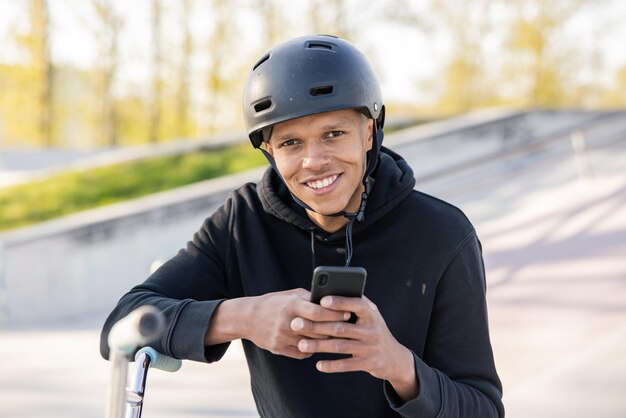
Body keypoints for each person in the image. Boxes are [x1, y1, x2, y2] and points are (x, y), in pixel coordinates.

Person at [100, 34, 504, 417]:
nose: (314, 161)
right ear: (270, 152)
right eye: (291, 143)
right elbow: (122, 325)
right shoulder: (244, 221)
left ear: (368, 132)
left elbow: (482, 408)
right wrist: (246, 317)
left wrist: (398, 365)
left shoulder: (443, 234)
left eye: (333, 133)